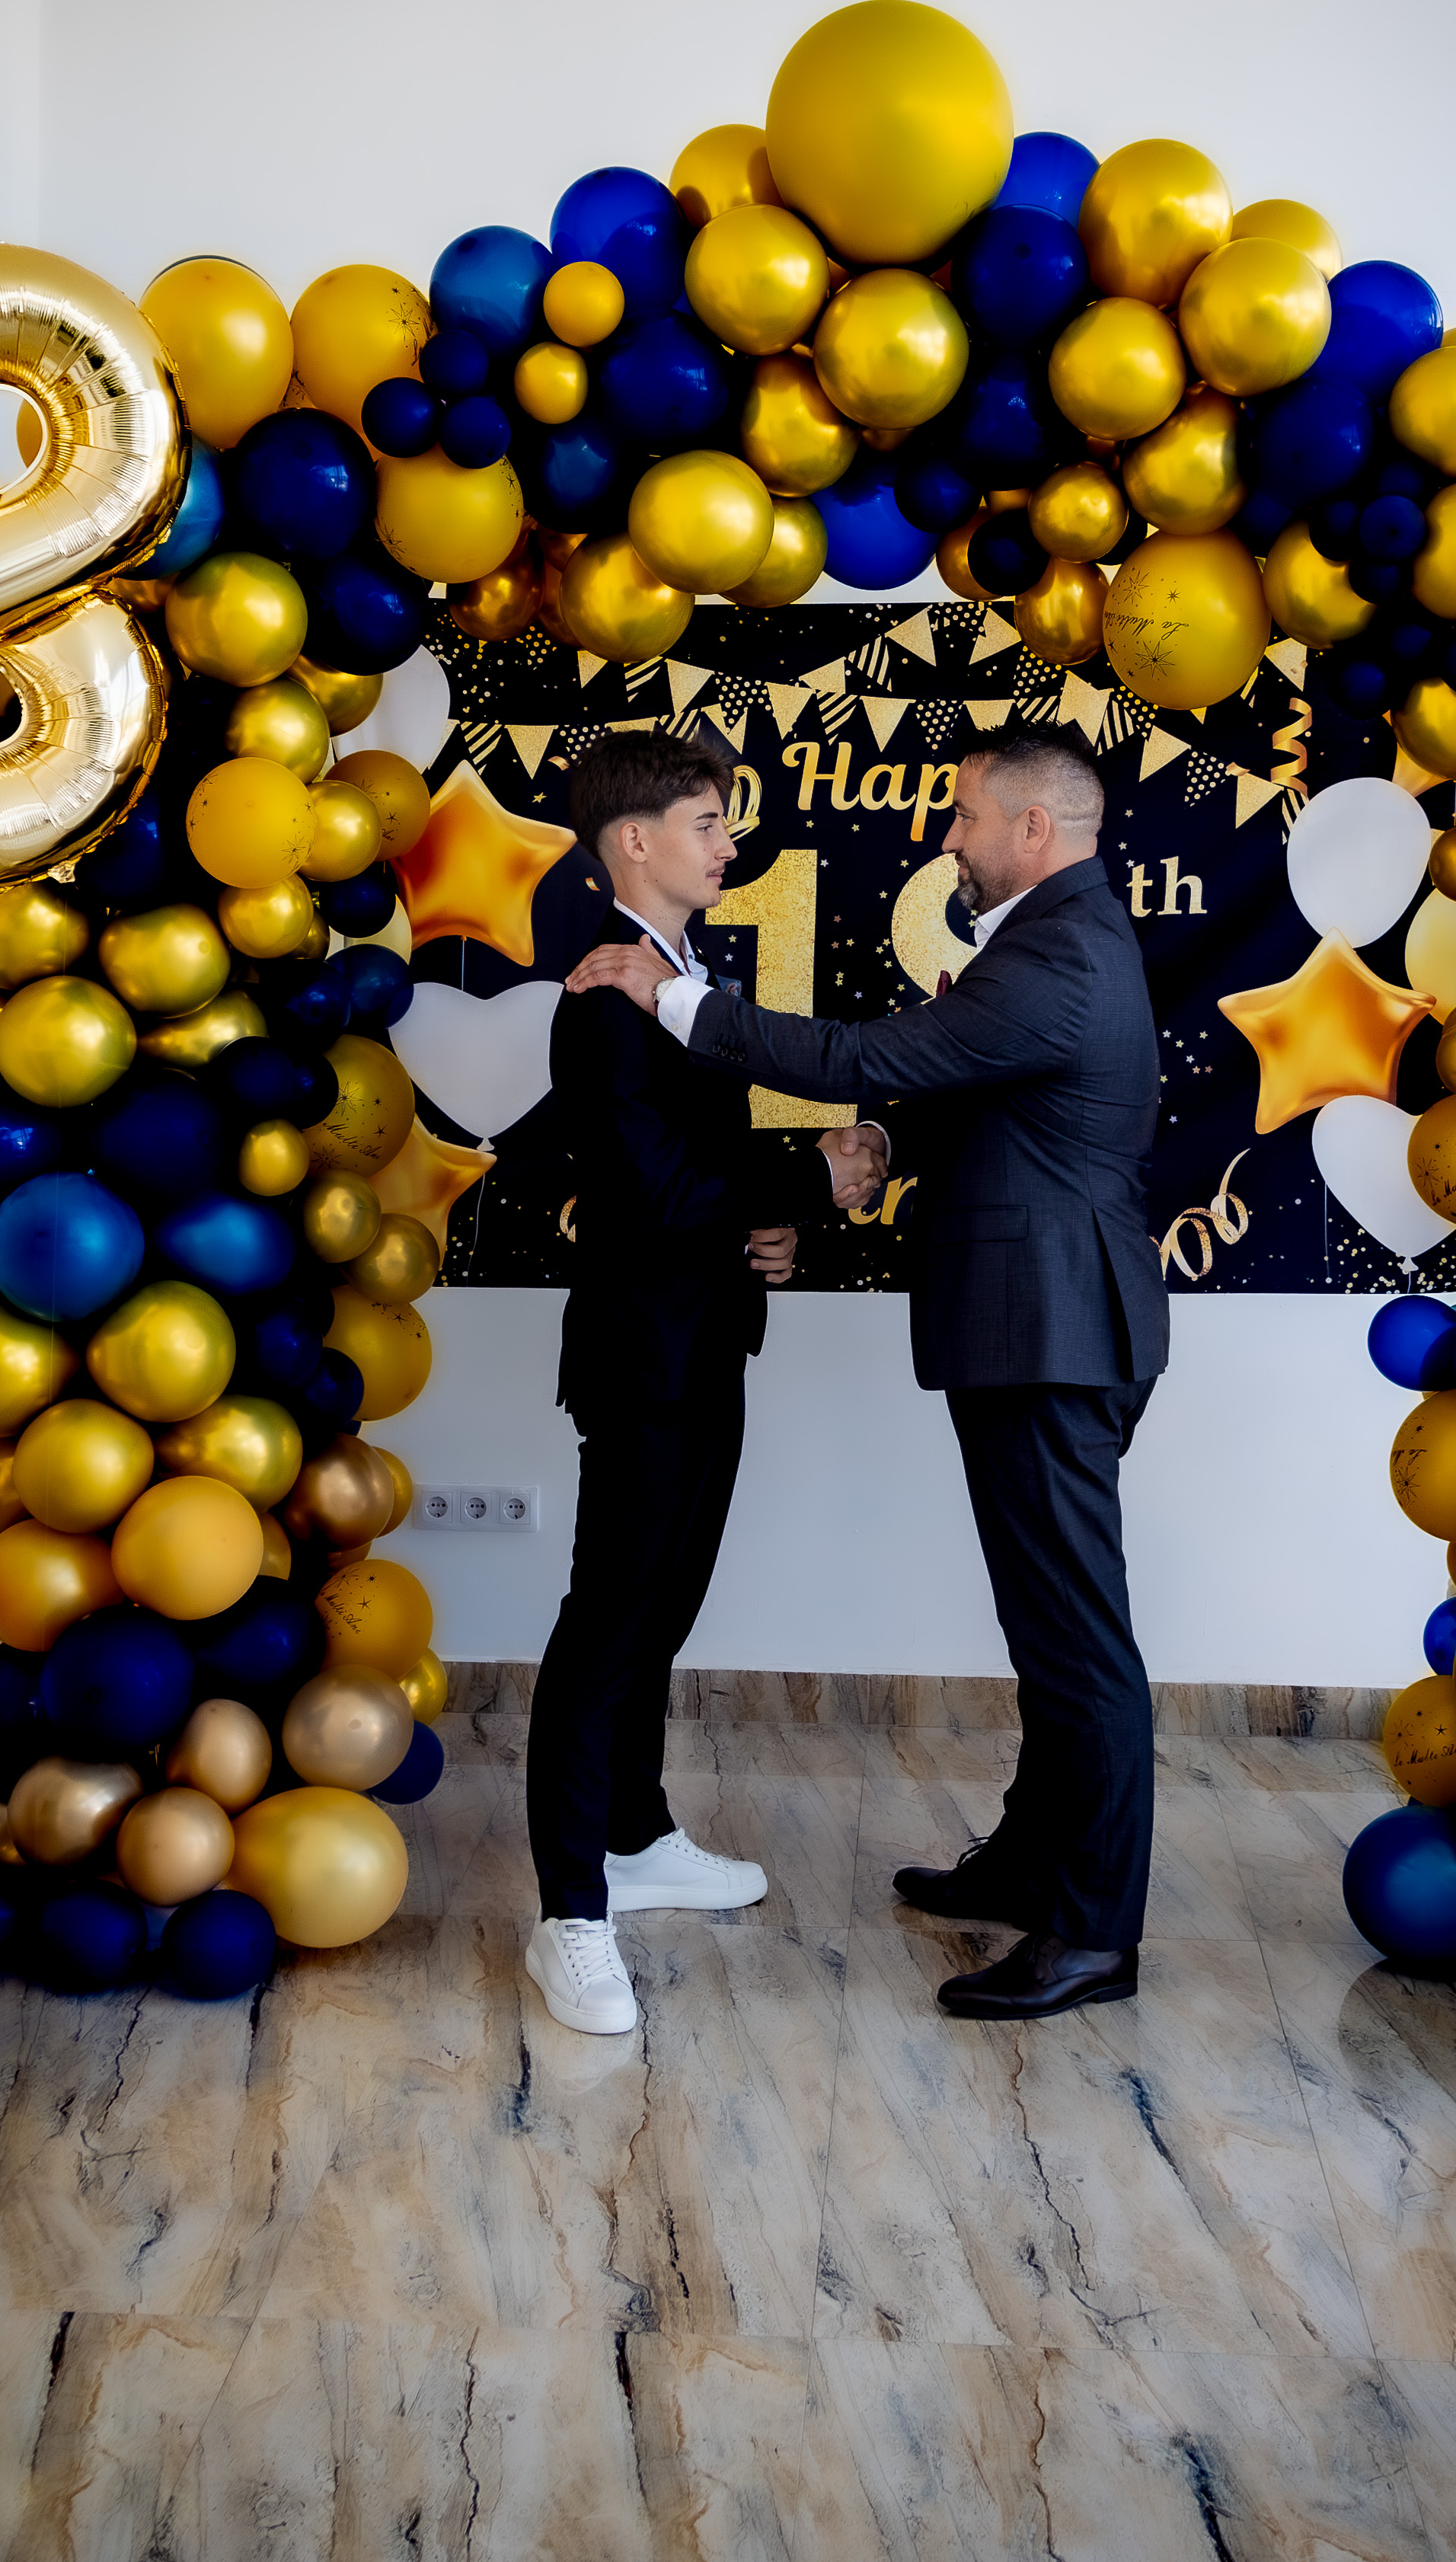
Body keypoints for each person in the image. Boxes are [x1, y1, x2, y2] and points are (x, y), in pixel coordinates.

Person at [566, 724, 1164, 2022]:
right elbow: (968, 1092)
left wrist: (675, 1000)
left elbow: (862, 1060)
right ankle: (1031, 1858)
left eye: (965, 817)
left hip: (1055, 1327)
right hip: (1032, 1325)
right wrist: (875, 1146)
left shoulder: (1060, 951)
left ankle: (1092, 1931)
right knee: (1047, 1625)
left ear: (1034, 831)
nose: (947, 837)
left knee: (1078, 1639)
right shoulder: (1048, 943)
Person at [525, 731, 880, 2038]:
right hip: (642, 1360)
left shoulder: (679, 979)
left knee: (661, 1612)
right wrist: (813, 1182)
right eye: (707, 823)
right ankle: (569, 1913)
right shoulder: (601, 995)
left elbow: (696, 1186)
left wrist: (766, 1231)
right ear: (635, 843)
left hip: (704, 1340)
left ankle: (633, 1836)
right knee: (607, 1625)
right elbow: (654, 1192)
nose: (729, 844)